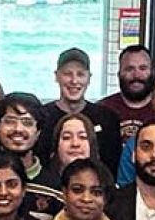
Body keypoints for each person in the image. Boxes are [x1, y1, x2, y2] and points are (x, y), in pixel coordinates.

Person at [38, 47, 122, 175]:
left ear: (89, 78)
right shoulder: (42, 117)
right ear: (56, 76)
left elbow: (112, 166)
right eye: (67, 74)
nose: (74, 81)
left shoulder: (107, 118)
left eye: (80, 74)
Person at [0, 93, 63, 220]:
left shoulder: (55, 190)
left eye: (27, 123)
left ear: (38, 132)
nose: (18, 129)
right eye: (10, 121)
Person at [98, 44, 155, 146]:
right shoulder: (102, 109)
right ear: (119, 74)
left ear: (152, 72)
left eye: (143, 68)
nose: (136, 75)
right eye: (129, 69)